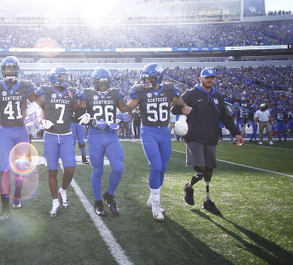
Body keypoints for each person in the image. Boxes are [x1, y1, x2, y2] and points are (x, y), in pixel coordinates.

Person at [123, 63, 192, 222]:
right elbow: (128, 108)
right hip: (149, 131)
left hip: (164, 131)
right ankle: (156, 203)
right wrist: (124, 115)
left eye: (151, 78)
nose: (147, 81)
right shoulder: (139, 91)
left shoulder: (168, 89)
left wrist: (185, 109)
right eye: (145, 78)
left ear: (159, 77)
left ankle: (152, 197)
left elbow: (180, 103)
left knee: (163, 167)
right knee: (156, 166)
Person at [173, 67, 243, 216]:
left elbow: (226, 116)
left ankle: (207, 200)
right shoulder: (191, 94)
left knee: (208, 171)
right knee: (200, 167)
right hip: (194, 137)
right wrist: (182, 109)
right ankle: (189, 186)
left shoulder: (218, 96)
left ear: (215, 79)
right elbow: (175, 109)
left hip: (211, 137)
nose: (209, 80)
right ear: (201, 79)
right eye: (207, 78)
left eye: (212, 78)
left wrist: (236, 133)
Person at [76, 67, 132, 217]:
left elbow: (126, 111)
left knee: (118, 168)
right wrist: (93, 122)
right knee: (98, 170)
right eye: (99, 83)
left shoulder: (115, 93)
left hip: (111, 135)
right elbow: (79, 116)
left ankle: (109, 195)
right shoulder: (86, 94)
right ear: (94, 83)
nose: (102, 86)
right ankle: (98, 201)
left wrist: (125, 119)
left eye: (105, 83)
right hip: (95, 135)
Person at [0, 56, 36, 221]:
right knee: (4, 169)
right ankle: (5, 208)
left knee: (21, 167)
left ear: (17, 69)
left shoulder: (26, 86)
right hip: (5, 131)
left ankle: (17, 195)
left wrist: (34, 116)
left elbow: (37, 103)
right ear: (3, 70)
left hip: (22, 130)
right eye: (7, 68)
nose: (9, 71)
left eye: (12, 68)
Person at [26, 66, 78, 218]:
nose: (65, 79)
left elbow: (79, 111)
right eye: (62, 76)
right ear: (54, 78)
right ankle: (55, 201)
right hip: (50, 136)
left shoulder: (70, 93)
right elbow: (31, 111)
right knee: (52, 170)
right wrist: (41, 121)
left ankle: (63, 190)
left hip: (67, 135)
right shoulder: (46, 92)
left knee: (70, 169)